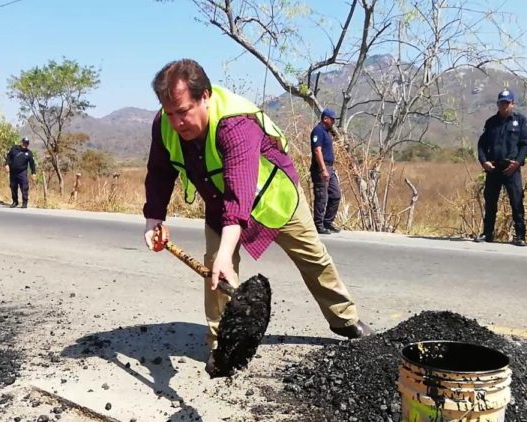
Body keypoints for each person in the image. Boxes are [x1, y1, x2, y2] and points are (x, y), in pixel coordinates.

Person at [142, 59, 372, 368]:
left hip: (274, 200)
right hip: (219, 204)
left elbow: (240, 194)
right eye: (170, 114)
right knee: (216, 271)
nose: (177, 122)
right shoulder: (165, 125)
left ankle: (345, 319)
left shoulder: (235, 123)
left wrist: (227, 250)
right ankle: (222, 345)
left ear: (205, 97)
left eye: (183, 112)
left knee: (314, 258)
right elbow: (159, 171)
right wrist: (154, 219)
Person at [476, 89, 527, 246]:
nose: (504, 105)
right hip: (494, 168)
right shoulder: (491, 122)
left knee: (516, 202)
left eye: (507, 103)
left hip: (511, 168)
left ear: (512, 104)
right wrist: (483, 161)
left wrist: (518, 162)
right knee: (491, 202)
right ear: (498, 103)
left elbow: (526, 144)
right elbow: (482, 144)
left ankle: (520, 236)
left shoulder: (520, 121)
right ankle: (487, 233)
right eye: (501, 102)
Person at [310, 108, 342, 234]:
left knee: (335, 195)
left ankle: (327, 222)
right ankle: (318, 224)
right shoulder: (318, 131)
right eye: (332, 119)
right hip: (321, 169)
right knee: (322, 197)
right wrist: (323, 169)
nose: (333, 121)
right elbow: (317, 150)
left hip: (330, 167)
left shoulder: (327, 132)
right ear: (325, 119)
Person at [4, 137, 36, 208]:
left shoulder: (29, 153)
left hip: (22, 172)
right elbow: (9, 157)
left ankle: (25, 203)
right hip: (13, 172)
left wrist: (33, 173)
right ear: (21, 142)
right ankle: (15, 202)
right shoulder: (14, 149)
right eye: (24, 143)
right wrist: (6, 164)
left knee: (24, 187)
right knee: (13, 187)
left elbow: (32, 164)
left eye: (27, 143)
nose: (25, 144)